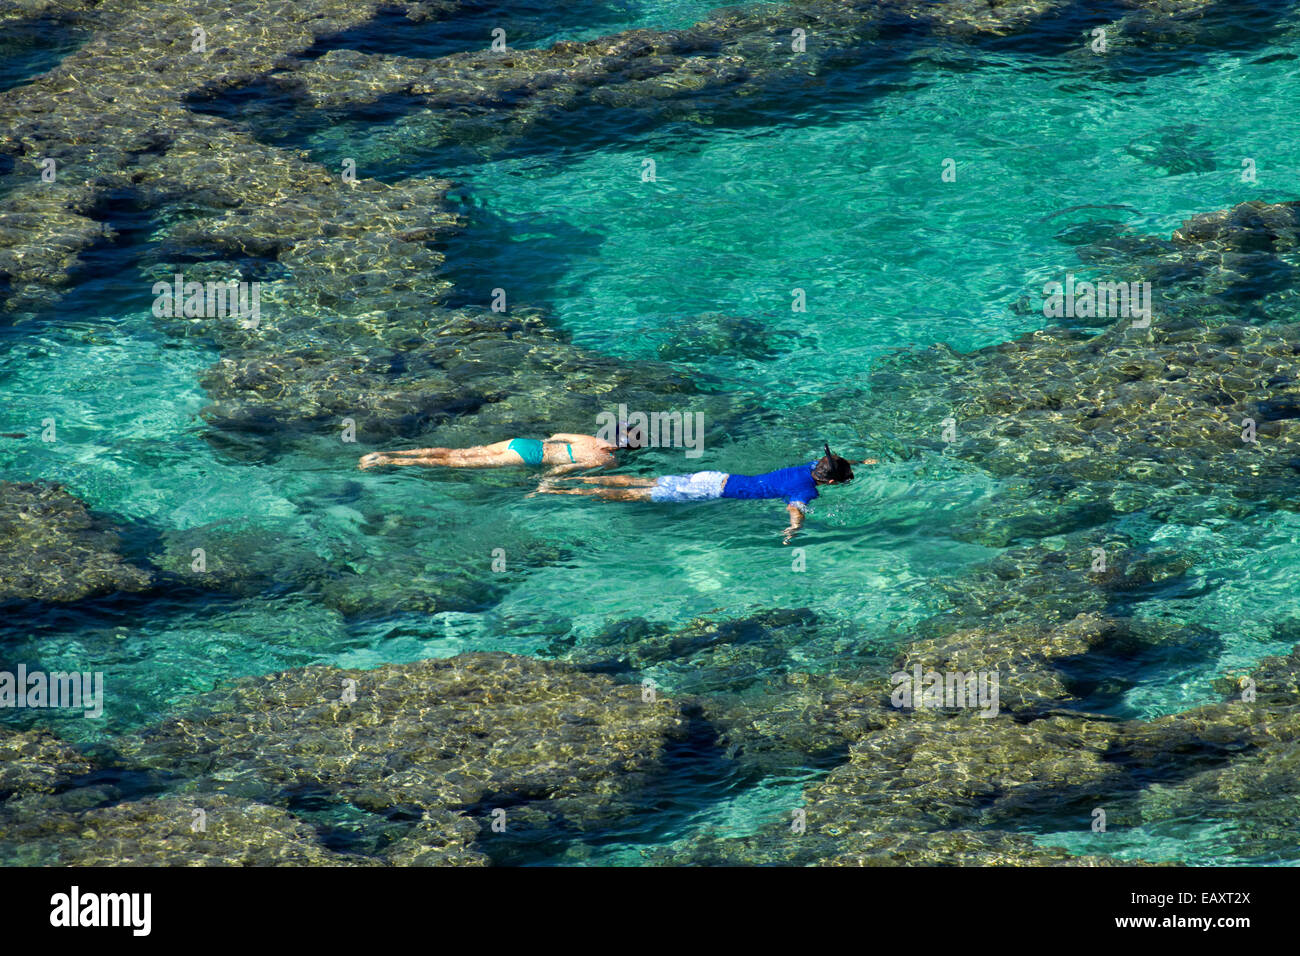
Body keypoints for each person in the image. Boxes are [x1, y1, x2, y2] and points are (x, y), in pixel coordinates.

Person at [535, 443, 876, 543]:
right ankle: (562, 492)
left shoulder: (811, 466)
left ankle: (567, 483)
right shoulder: (806, 488)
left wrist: (862, 459)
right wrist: (793, 531)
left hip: (714, 476)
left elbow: (834, 461)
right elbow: (796, 509)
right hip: (707, 493)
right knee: (636, 496)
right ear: (828, 482)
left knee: (647, 483)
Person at [359, 425, 643, 475]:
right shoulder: (605, 459)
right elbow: (565, 468)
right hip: (529, 457)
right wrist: (546, 481)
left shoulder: (589, 439)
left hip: (522, 443)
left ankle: (394, 453)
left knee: (460, 452)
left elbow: (557, 435)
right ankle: (387, 461)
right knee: (453, 464)